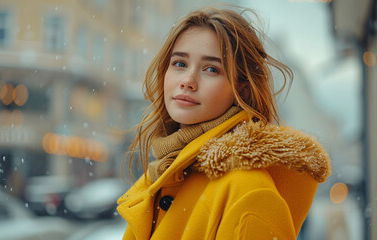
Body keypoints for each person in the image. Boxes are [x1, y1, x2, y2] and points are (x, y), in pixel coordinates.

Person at [117, 6, 331, 240]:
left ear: (242, 89)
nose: (188, 81)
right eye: (179, 64)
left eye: (211, 69)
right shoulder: (163, 176)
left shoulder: (247, 192)